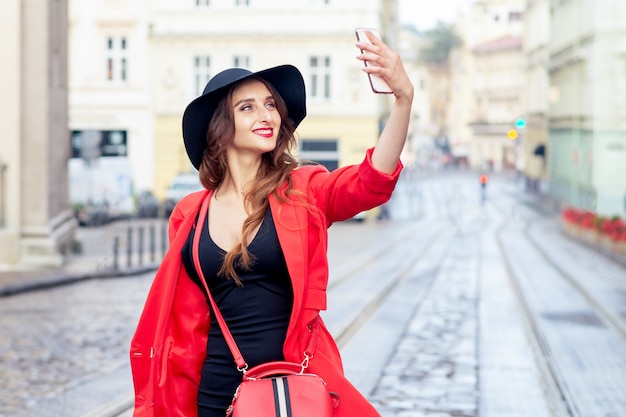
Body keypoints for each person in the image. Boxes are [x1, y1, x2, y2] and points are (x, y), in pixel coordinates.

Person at [129, 30, 413, 417]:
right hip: (213, 398)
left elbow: (370, 182)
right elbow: (184, 323)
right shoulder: (189, 213)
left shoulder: (303, 190)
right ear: (219, 127)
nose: (266, 115)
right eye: (247, 107)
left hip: (290, 394)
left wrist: (402, 99)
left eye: (270, 105)